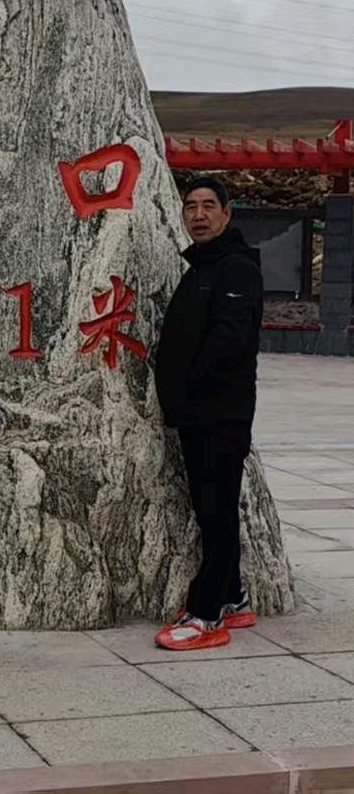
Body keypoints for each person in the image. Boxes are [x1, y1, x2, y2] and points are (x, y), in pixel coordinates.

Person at [153, 175, 264, 651]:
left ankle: (207, 614)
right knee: (212, 508)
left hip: (219, 414)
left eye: (207, 206)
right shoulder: (202, 266)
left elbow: (232, 340)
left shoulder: (236, 269)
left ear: (226, 213)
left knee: (216, 511)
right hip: (197, 413)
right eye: (190, 206)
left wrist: (192, 385)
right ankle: (235, 599)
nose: (198, 215)